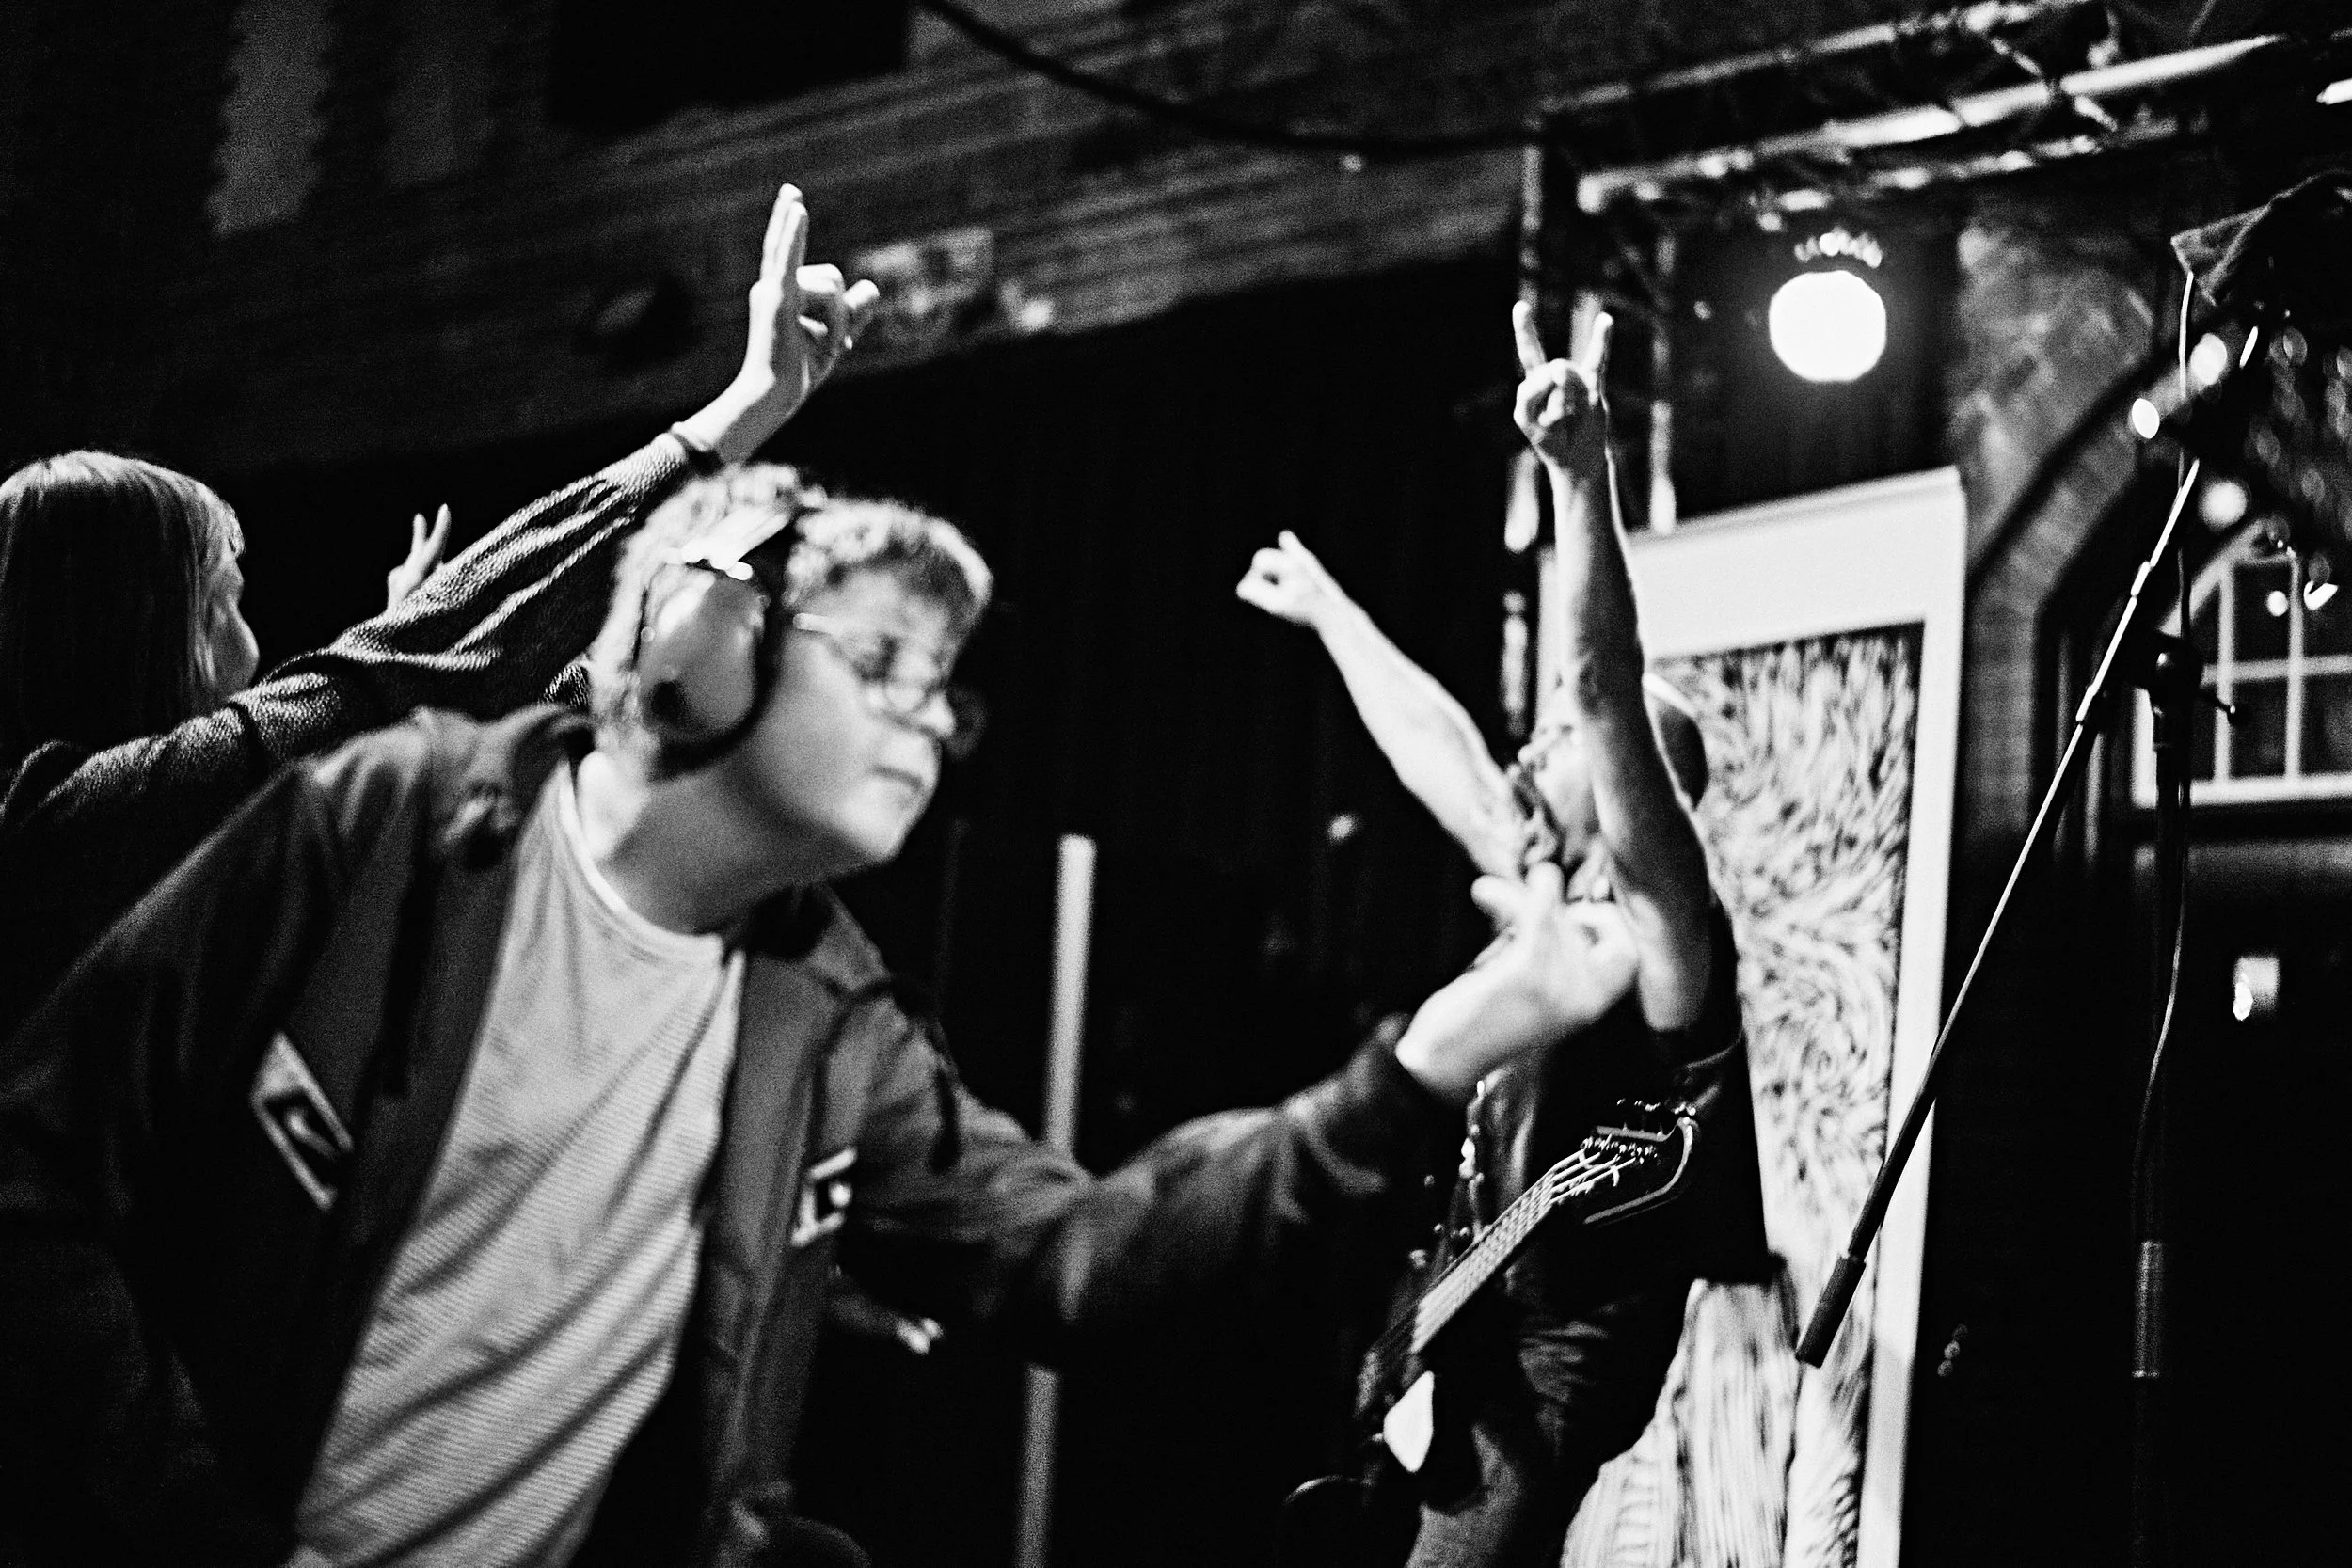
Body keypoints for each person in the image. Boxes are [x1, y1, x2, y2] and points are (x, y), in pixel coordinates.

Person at [0, 417, 1649, 1565]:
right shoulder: (391, 829)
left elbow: (1080, 1256)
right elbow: (30, 1176)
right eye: (879, 667)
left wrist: (1427, 1060)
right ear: (697, 656)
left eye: (944, 691)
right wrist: (183, 1518)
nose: (931, 720)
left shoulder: (827, 1011)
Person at [0, 182, 874, 1038]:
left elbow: (439, 715)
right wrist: (730, 420)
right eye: (223, 599)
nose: (252, 646)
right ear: (144, 627)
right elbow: (389, 679)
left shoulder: (155, 843)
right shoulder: (76, 824)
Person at [1237, 302, 1771, 1567]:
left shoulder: (1661, 925)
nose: (1537, 743)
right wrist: (1333, 612)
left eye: (1566, 741)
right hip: (1471, 1307)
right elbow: (1439, 752)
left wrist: (1580, 479)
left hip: (1558, 1344)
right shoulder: (1547, 891)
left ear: (1634, 781)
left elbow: (1602, 680)